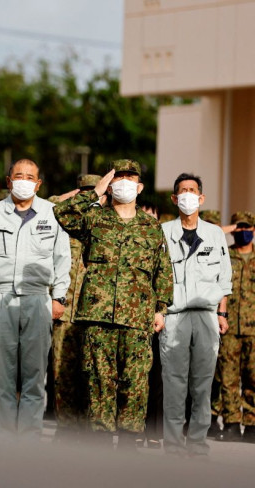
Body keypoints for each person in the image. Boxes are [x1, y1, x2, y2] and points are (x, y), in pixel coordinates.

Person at [53, 159, 173, 449]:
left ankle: (131, 441)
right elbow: (61, 213)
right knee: (99, 381)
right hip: (98, 316)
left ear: (140, 187)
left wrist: (161, 309)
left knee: (135, 382)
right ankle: (101, 442)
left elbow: (163, 271)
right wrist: (95, 192)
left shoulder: (151, 227)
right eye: (118, 177)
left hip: (137, 319)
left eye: (130, 178)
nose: (124, 183)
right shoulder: (95, 219)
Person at [0, 159, 71, 436]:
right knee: (3, 375)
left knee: (34, 375)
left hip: (37, 298)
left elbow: (63, 258)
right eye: (19, 176)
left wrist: (60, 298)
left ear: (39, 184)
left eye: (30, 177)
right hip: (0, 297)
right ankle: (5, 438)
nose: (24, 181)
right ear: (8, 181)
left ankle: (29, 437)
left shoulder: (53, 214)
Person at [160, 173, 231, 456]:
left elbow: (224, 279)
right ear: (174, 198)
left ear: (201, 198)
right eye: (182, 191)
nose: (187, 195)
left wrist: (222, 314)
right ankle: (174, 445)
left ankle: (198, 443)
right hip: (174, 316)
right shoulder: (163, 232)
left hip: (206, 316)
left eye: (192, 190)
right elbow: (157, 276)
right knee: (174, 383)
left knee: (203, 383)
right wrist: (158, 312)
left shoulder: (215, 233)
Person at [47, 174, 101, 441]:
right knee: (62, 373)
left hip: (95, 313)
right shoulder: (63, 220)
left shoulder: (105, 221)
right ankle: (66, 426)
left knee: (93, 373)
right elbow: (50, 204)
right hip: (65, 312)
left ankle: (90, 427)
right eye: (85, 192)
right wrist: (78, 196)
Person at [216, 211, 255, 443]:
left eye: (247, 228)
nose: (242, 232)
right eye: (238, 228)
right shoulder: (225, 256)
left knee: (253, 377)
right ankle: (230, 422)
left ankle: (251, 423)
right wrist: (229, 229)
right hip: (228, 327)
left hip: (254, 329)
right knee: (227, 377)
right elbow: (208, 236)